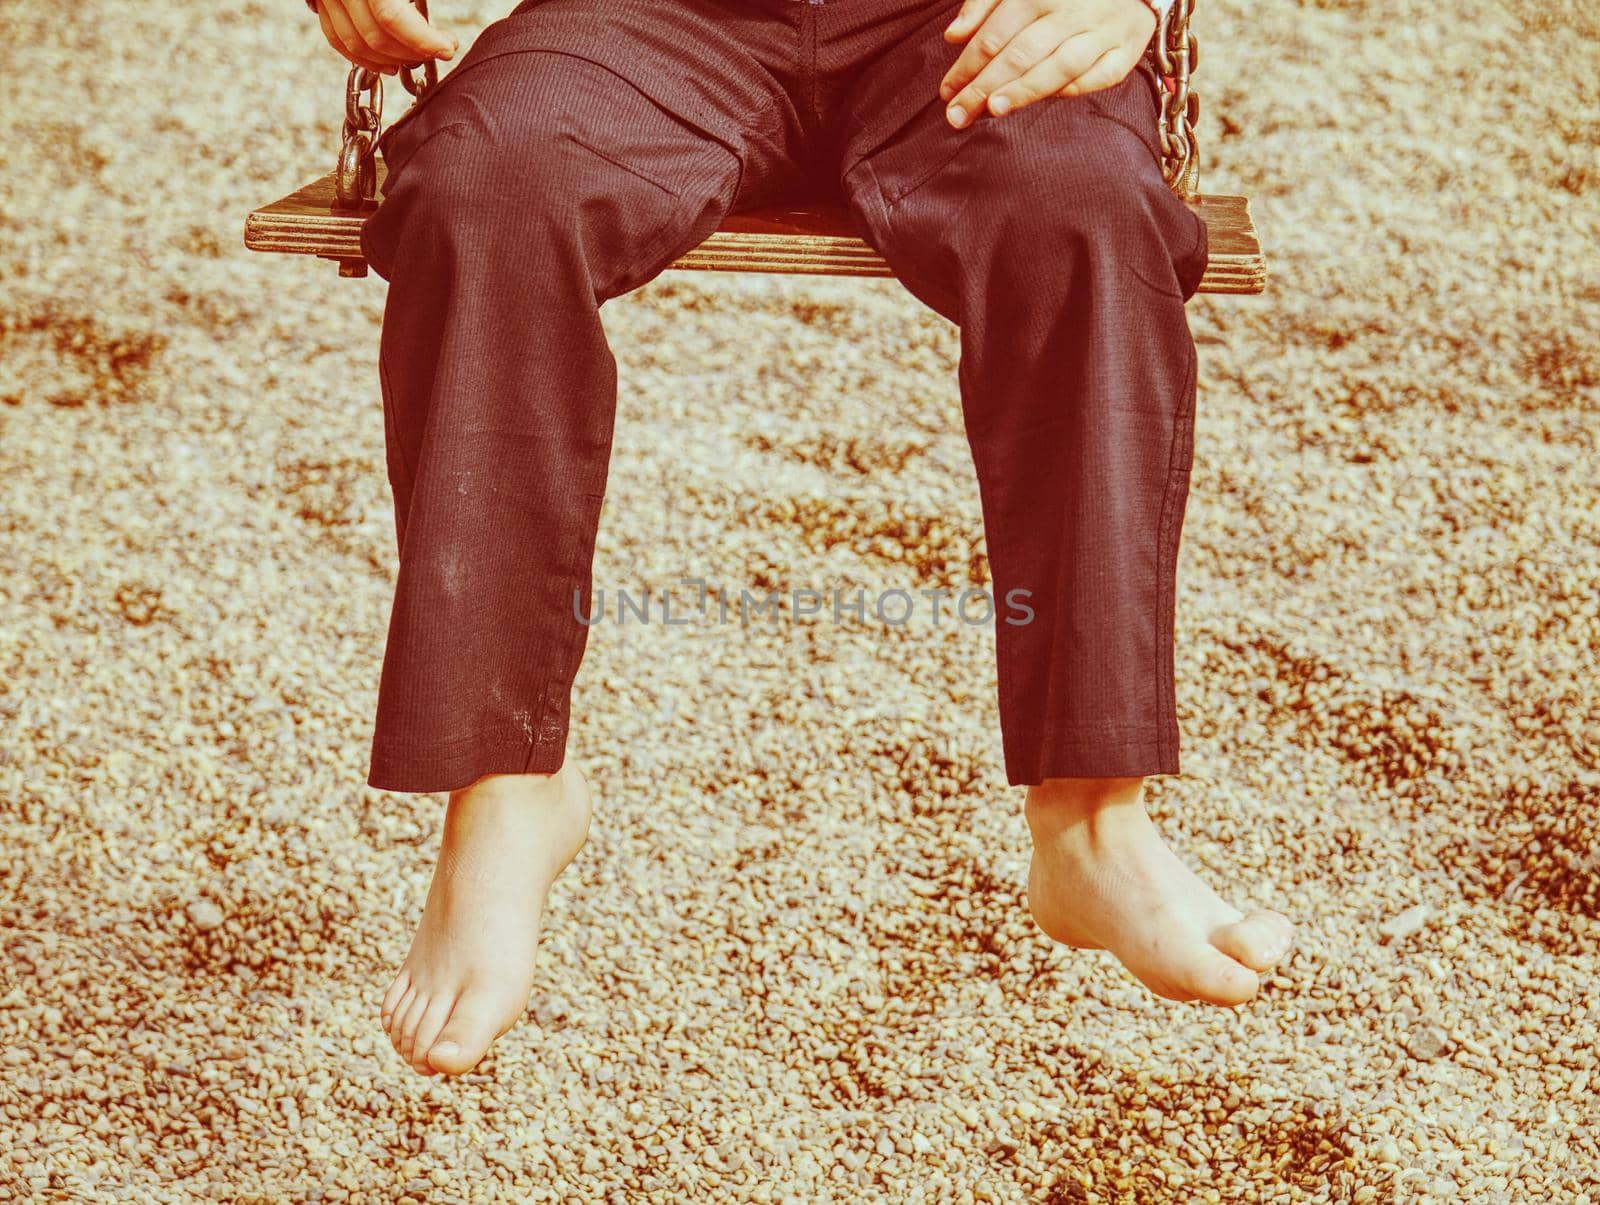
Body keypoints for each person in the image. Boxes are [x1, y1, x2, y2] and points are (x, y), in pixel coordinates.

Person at [306, 0, 1296, 1078]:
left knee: (1082, 204)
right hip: (638, 23)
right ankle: (500, 787)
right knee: (490, 184)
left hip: (972, 19)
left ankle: (1091, 820)